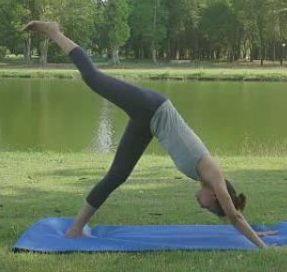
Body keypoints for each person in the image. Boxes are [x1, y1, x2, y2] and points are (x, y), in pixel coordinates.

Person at [23, 21, 271, 248]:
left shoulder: (209, 180)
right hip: (152, 108)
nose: (202, 206)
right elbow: (234, 215)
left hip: (149, 124)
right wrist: (264, 248)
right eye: (209, 207)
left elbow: (235, 213)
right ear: (216, 197)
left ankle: (76, 229)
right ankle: (54, 31)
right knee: (93, 78)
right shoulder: (214, 175)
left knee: (116, 176)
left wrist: (256, 233)